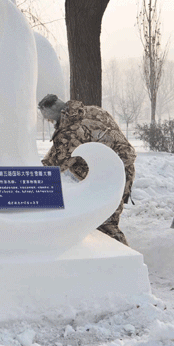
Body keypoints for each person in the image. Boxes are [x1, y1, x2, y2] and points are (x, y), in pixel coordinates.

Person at [38, 93, 136, 246]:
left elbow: (56, 165)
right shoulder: (93, 110)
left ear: (53, 116)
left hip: (106, 178)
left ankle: (124, 262)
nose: (50, 123)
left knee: (105, 223)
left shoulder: (68, 131)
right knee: (108, 218)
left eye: (49, 119)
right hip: (124, 169)